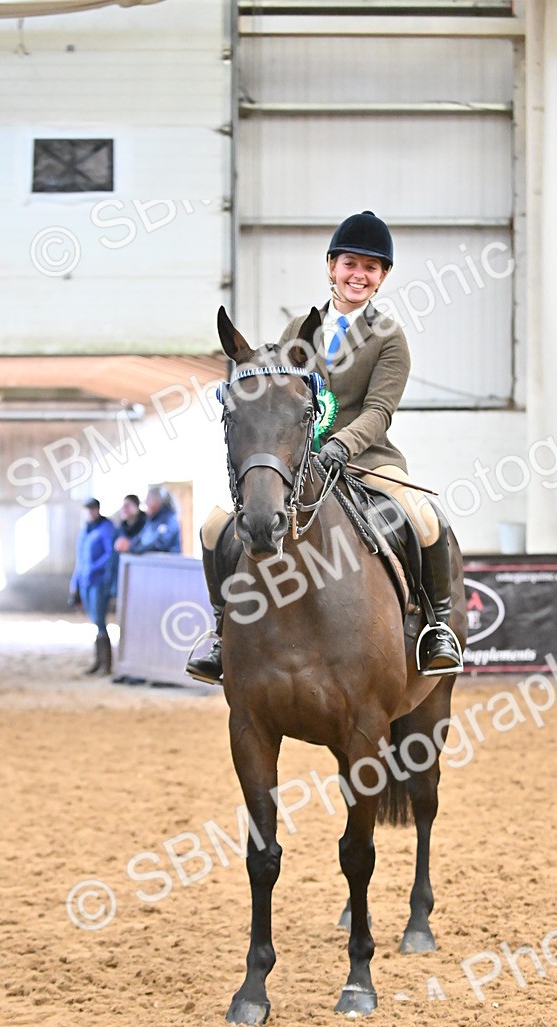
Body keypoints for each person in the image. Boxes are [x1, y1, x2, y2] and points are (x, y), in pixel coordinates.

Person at [186, 209, 463, 684]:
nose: (359, 275)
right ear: (332, 266)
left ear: (383, 278)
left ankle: (435, 627)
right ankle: (220, 632)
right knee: (215, 526)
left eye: (371, 268)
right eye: (350, 264)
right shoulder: (299, 328)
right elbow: (280, 394)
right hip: (297, 465)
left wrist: (341, 446)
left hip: (367, 463)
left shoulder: (390, 338)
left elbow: (380, 410)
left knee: (423, 517)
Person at [69, 498, 116, 676]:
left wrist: (93, 569)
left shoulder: (105, 529)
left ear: (97, 510)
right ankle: (98, 661)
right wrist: (74, 584)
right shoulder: (84, 532)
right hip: (85, 582)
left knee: (99, 620)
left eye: (92, 509)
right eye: (87, 509)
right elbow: (79, 560)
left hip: (99, 581)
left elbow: (109, 554)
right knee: (94, 621)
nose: (90, 512)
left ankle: (106, 663)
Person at [114, 485, 181, 556]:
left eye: (149, 499)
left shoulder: (169, 519)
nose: (146, 503)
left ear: (158, 500)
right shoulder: (152, 519)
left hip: (167, 564)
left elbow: (160, 544)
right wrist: (129, 544)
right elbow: (141, 539)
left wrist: (131, 548)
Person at [109, 493, 146, 598]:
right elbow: (112, 557)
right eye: (123, 506)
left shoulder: (147, 527)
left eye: (128, 505)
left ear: (137, 507)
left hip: (140, 579)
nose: (124, 509)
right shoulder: (119, 530)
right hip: (121, 577)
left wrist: (130, 546)